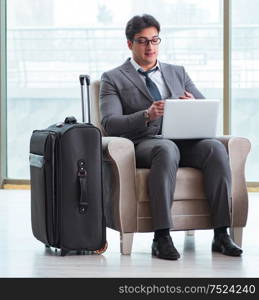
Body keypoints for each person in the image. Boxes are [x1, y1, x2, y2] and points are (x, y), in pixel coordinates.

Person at [99, 14, 242, 260]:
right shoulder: (112, 78)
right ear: (129, 44)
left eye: (155, 40)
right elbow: (110, 124)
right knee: (166, 149)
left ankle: (221, 234)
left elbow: (204, 104)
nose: (150, 47)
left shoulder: (177, 72)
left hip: (183, 141)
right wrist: (146, 114)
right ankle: (161, 236)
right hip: (145, 144)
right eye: (143, 41)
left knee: (215, 149)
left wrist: (192, 103)